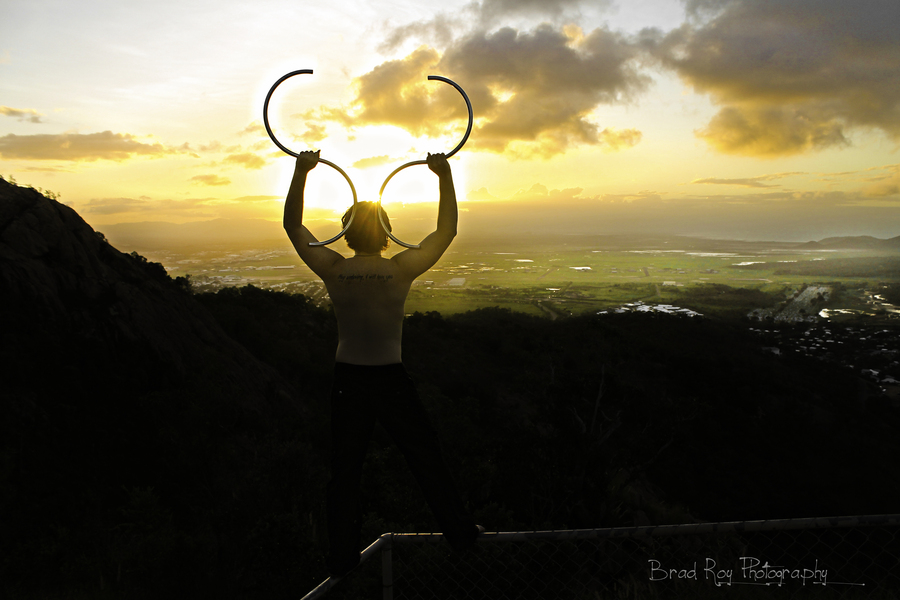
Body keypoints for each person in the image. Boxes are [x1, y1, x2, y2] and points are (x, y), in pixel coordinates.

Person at [283, 149, 481, 578]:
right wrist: (444, 176)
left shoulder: (334, 269)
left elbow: (293, 227)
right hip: (391, 379)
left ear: (345, 235)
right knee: (426, 458)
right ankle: (462, 535)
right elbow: (446, 230)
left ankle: (341, 558)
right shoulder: (399, 270)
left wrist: (301, 173)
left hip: (348, 379)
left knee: (345, 471)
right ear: (388, 233)